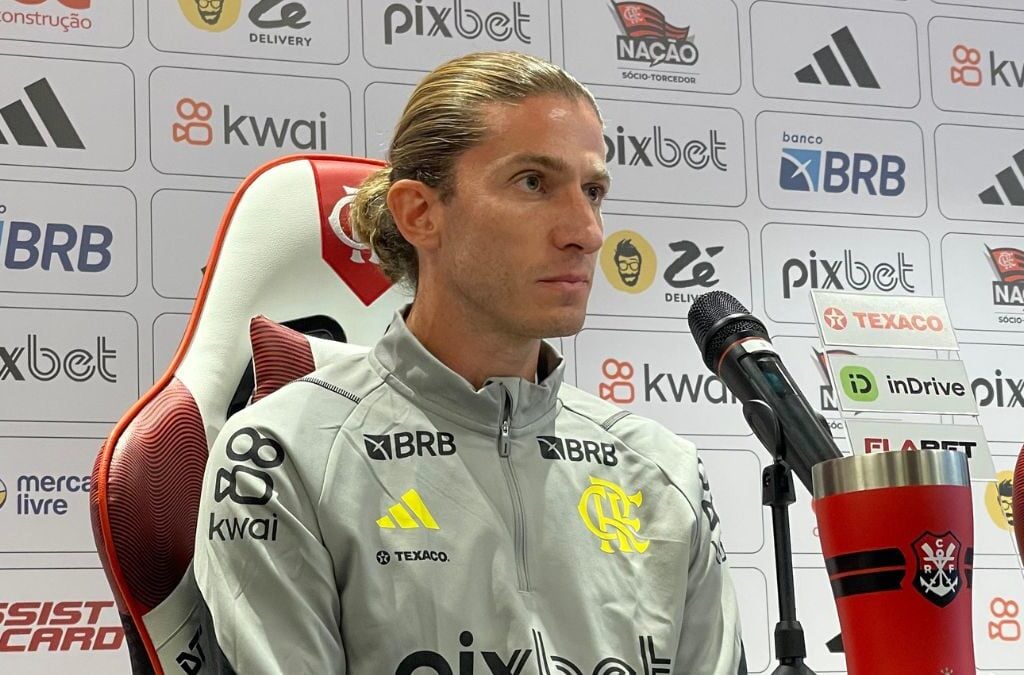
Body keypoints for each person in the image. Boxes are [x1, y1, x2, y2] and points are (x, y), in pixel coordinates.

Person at [194, 51, 745, 674]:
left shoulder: (662, 468)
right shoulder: (281, 455)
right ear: (420, 214)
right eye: (534, 182)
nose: (586, 230)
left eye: (593, 191)